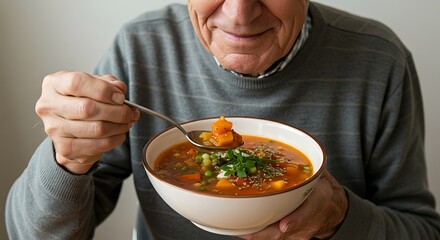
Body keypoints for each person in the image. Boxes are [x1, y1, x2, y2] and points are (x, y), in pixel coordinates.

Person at [6, 0, 440, 239]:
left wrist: (340, 219)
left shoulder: (379, 60)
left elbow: (421, 229)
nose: (239, 13)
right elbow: (32, 236)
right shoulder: (142, 48)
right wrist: (66, 160)